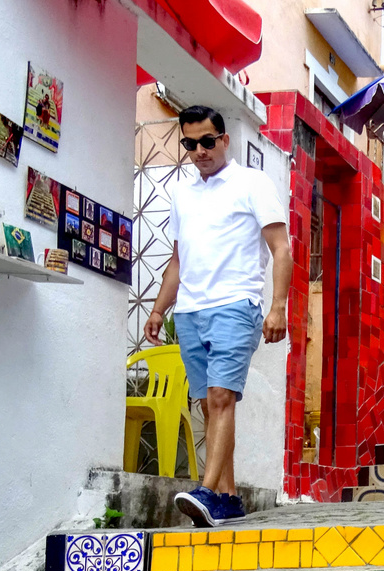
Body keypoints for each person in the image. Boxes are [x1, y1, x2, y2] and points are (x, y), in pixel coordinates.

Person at [146, 105, 291, 528]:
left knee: (221, 397)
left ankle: (206, 491)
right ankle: (227, 498)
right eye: (190, 144)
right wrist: (158, 309)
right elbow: (178, 259)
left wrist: (277, 306)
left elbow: (281, 248)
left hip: (235, 304)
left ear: (225, 140)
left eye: (207, 141)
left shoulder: (252, 183)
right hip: (190, 310)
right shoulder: (182, 194)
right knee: (208, 406)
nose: (199, 151)